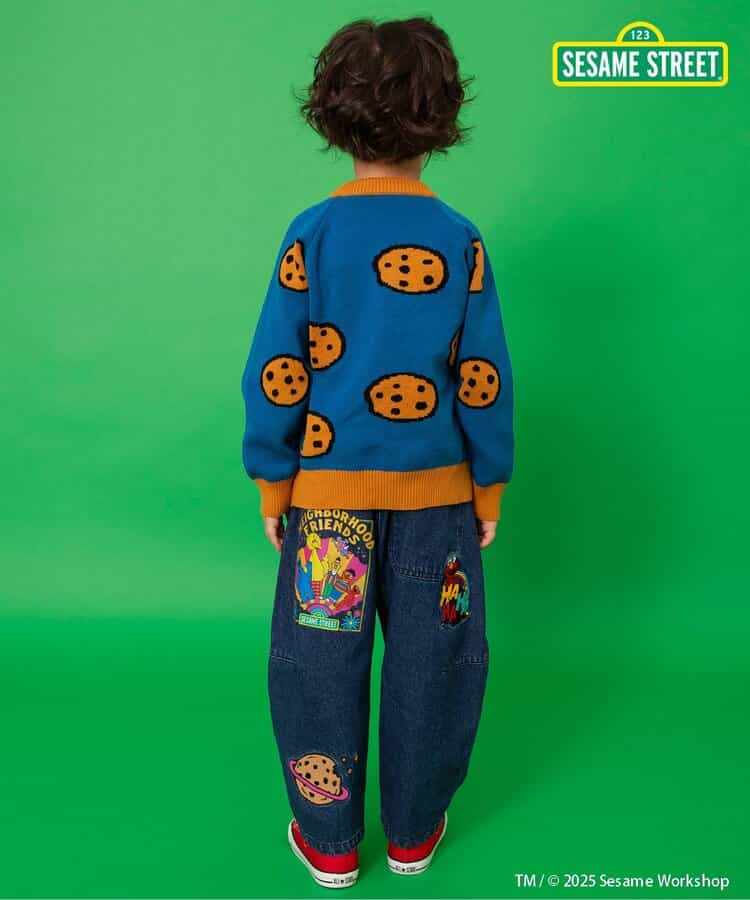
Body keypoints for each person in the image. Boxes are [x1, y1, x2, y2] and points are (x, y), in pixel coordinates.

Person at [241, 16, 514, 889]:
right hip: (439, 503)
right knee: (437, 666)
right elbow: (483, 378)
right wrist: (489, 487)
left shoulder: (312, 233)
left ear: (333, 116)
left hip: (327, 508)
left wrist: (274, 481)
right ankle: (413, 833)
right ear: (443, 117)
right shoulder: (461, 238)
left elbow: (278, 370)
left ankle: (329, 839)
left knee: (318, 665)